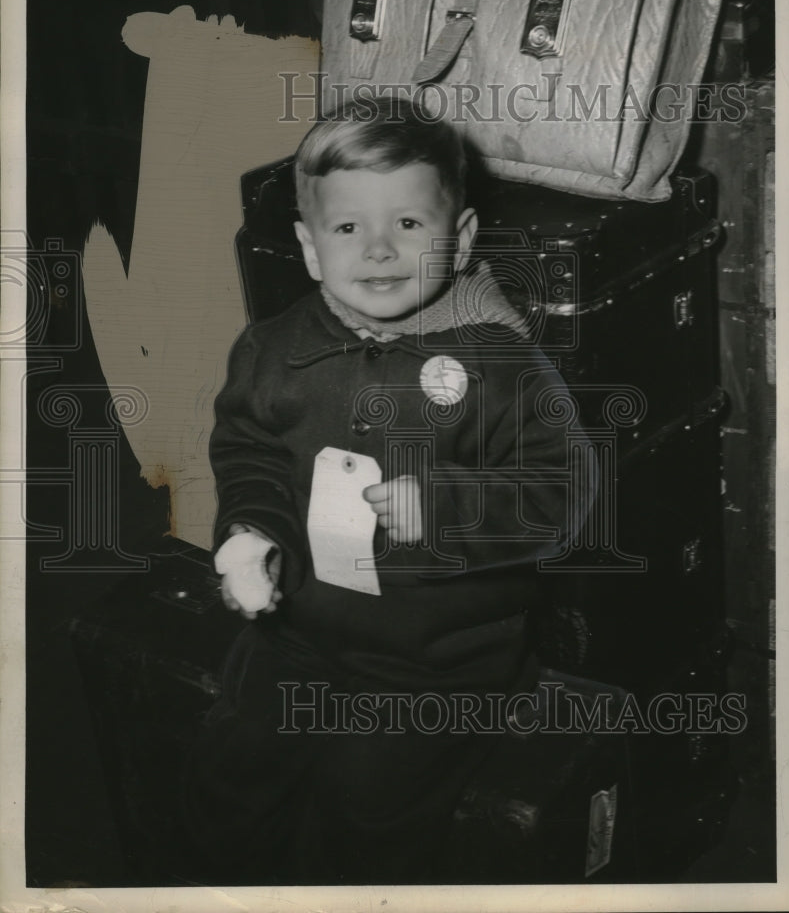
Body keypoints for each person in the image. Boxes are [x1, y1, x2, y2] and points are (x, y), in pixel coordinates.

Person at [182, 96, 597, 885]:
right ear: (309, 248)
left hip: (437, 657)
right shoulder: (274, 348)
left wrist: (442, 508)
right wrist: (249, 534)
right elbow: (249, 454)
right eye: (347, 229)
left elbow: (563, 494)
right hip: (297, 629)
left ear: (462, 237)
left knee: (367, 805)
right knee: (231, 767)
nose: (377, 250)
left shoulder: (501, 367)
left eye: (408, 224)